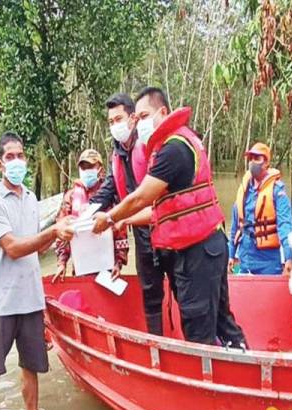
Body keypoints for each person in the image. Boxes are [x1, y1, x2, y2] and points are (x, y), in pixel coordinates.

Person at [93, 87, 246, 347]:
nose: (139, 124)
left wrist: (108, 219)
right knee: (221, 320)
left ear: (162, 112)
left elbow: (141, 198)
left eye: (143, 116)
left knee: (199, 329)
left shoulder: (173, 149)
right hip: (205, 246)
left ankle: (209, 384)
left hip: (198, 250)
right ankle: (242, 370)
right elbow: (159, 209)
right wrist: (119, 219)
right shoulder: (174, 144)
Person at [0, 132, 73, 410]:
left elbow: (36, 250)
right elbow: (15, 248)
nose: (17, 162)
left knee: (31, 367)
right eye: (10, 157)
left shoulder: (31, 199)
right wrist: (53, 232)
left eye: (21, 156)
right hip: (2, 303)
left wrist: (64, 235)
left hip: (30, 300)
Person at [90, 93, 176, 336]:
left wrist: (114, 219)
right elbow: (107, 190)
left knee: (181, 287)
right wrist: (84, 216)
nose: (114, 126)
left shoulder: (151, 145)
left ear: (133, 119)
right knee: (149, 292)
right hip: (141, 235)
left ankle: (184, 343)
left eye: (119, 119)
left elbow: (148, 196)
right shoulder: (117, 154)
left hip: (166, 228)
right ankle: (156, 345)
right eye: (110, 122)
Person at [52, 148, 129, 283]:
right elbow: (62, 230)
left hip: (107, 264)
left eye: (91, 166)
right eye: (84, 167)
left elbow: (119, 228)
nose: (87, 170)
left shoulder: (109, 194)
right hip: (82, 265)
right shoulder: (71, 196)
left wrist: (119, 260)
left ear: (100, 168)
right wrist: (61, 262)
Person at [228, 142, 292, 275]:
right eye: (250, 158)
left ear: (266, 163)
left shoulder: (277, 191)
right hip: (245, 259)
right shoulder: (244, 190)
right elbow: (236, 226)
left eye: (257, 158)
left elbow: (285, 226)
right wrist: (230, 255)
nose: (252, 162)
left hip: (268, 262)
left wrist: (289, 257)